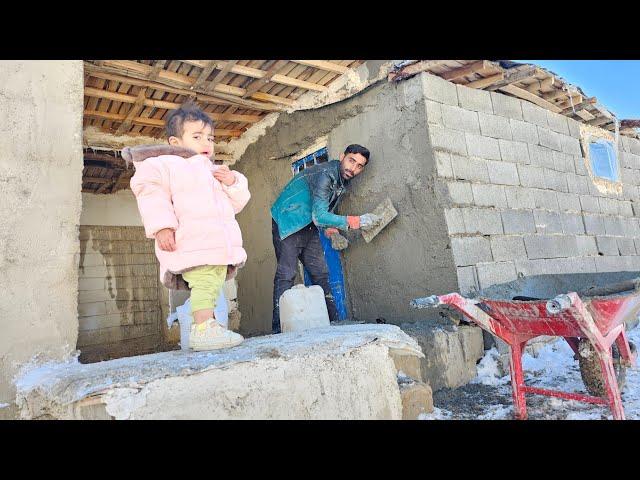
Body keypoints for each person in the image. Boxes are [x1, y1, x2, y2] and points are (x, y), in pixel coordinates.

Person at [127, 102, 250, 350]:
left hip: (216, 245)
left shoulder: (214, 171)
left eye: (210, 138)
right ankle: (202, 329)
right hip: (192, 241)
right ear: (175, 142)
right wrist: (162, 226)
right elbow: (150, 192)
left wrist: (232, 181)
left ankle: (209, 326)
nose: (207, 143)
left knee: (212, 286)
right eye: (197, 137)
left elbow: (237, 203)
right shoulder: (165, 165)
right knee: (204, 282)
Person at [270, 144, 380, 333]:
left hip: (308, 224)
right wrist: (356, 221)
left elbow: (323, 209)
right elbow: (319, 215)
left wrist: (332, 231)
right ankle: (278, 329)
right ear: (341, 156)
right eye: (351, 161)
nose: (353, 168)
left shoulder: (341, 180)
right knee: (286, 273)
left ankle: (334, 321)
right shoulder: (327, 174)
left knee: (320, 272)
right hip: (288, 218)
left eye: (359, 166)